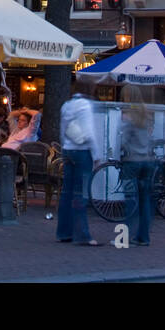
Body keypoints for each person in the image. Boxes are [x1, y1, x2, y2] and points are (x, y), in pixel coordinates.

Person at [57, 91, 102, 246]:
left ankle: (63, 232)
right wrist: (96, 156)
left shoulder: (66, 105)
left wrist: (64, 148)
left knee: (66, 193)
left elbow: (63, 130)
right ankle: (82, 234)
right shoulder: (85, 106)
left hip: (68, 150)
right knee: (80, 193)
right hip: (82, 152)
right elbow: (89, 133)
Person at [117, 103, 155, 246]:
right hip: (146, 163)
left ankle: (126, 237)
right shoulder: (147, 123)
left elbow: (122, 142)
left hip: (132, 163)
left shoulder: (130, 124)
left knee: (131, 200)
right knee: (144, 201)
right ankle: (143, 237)